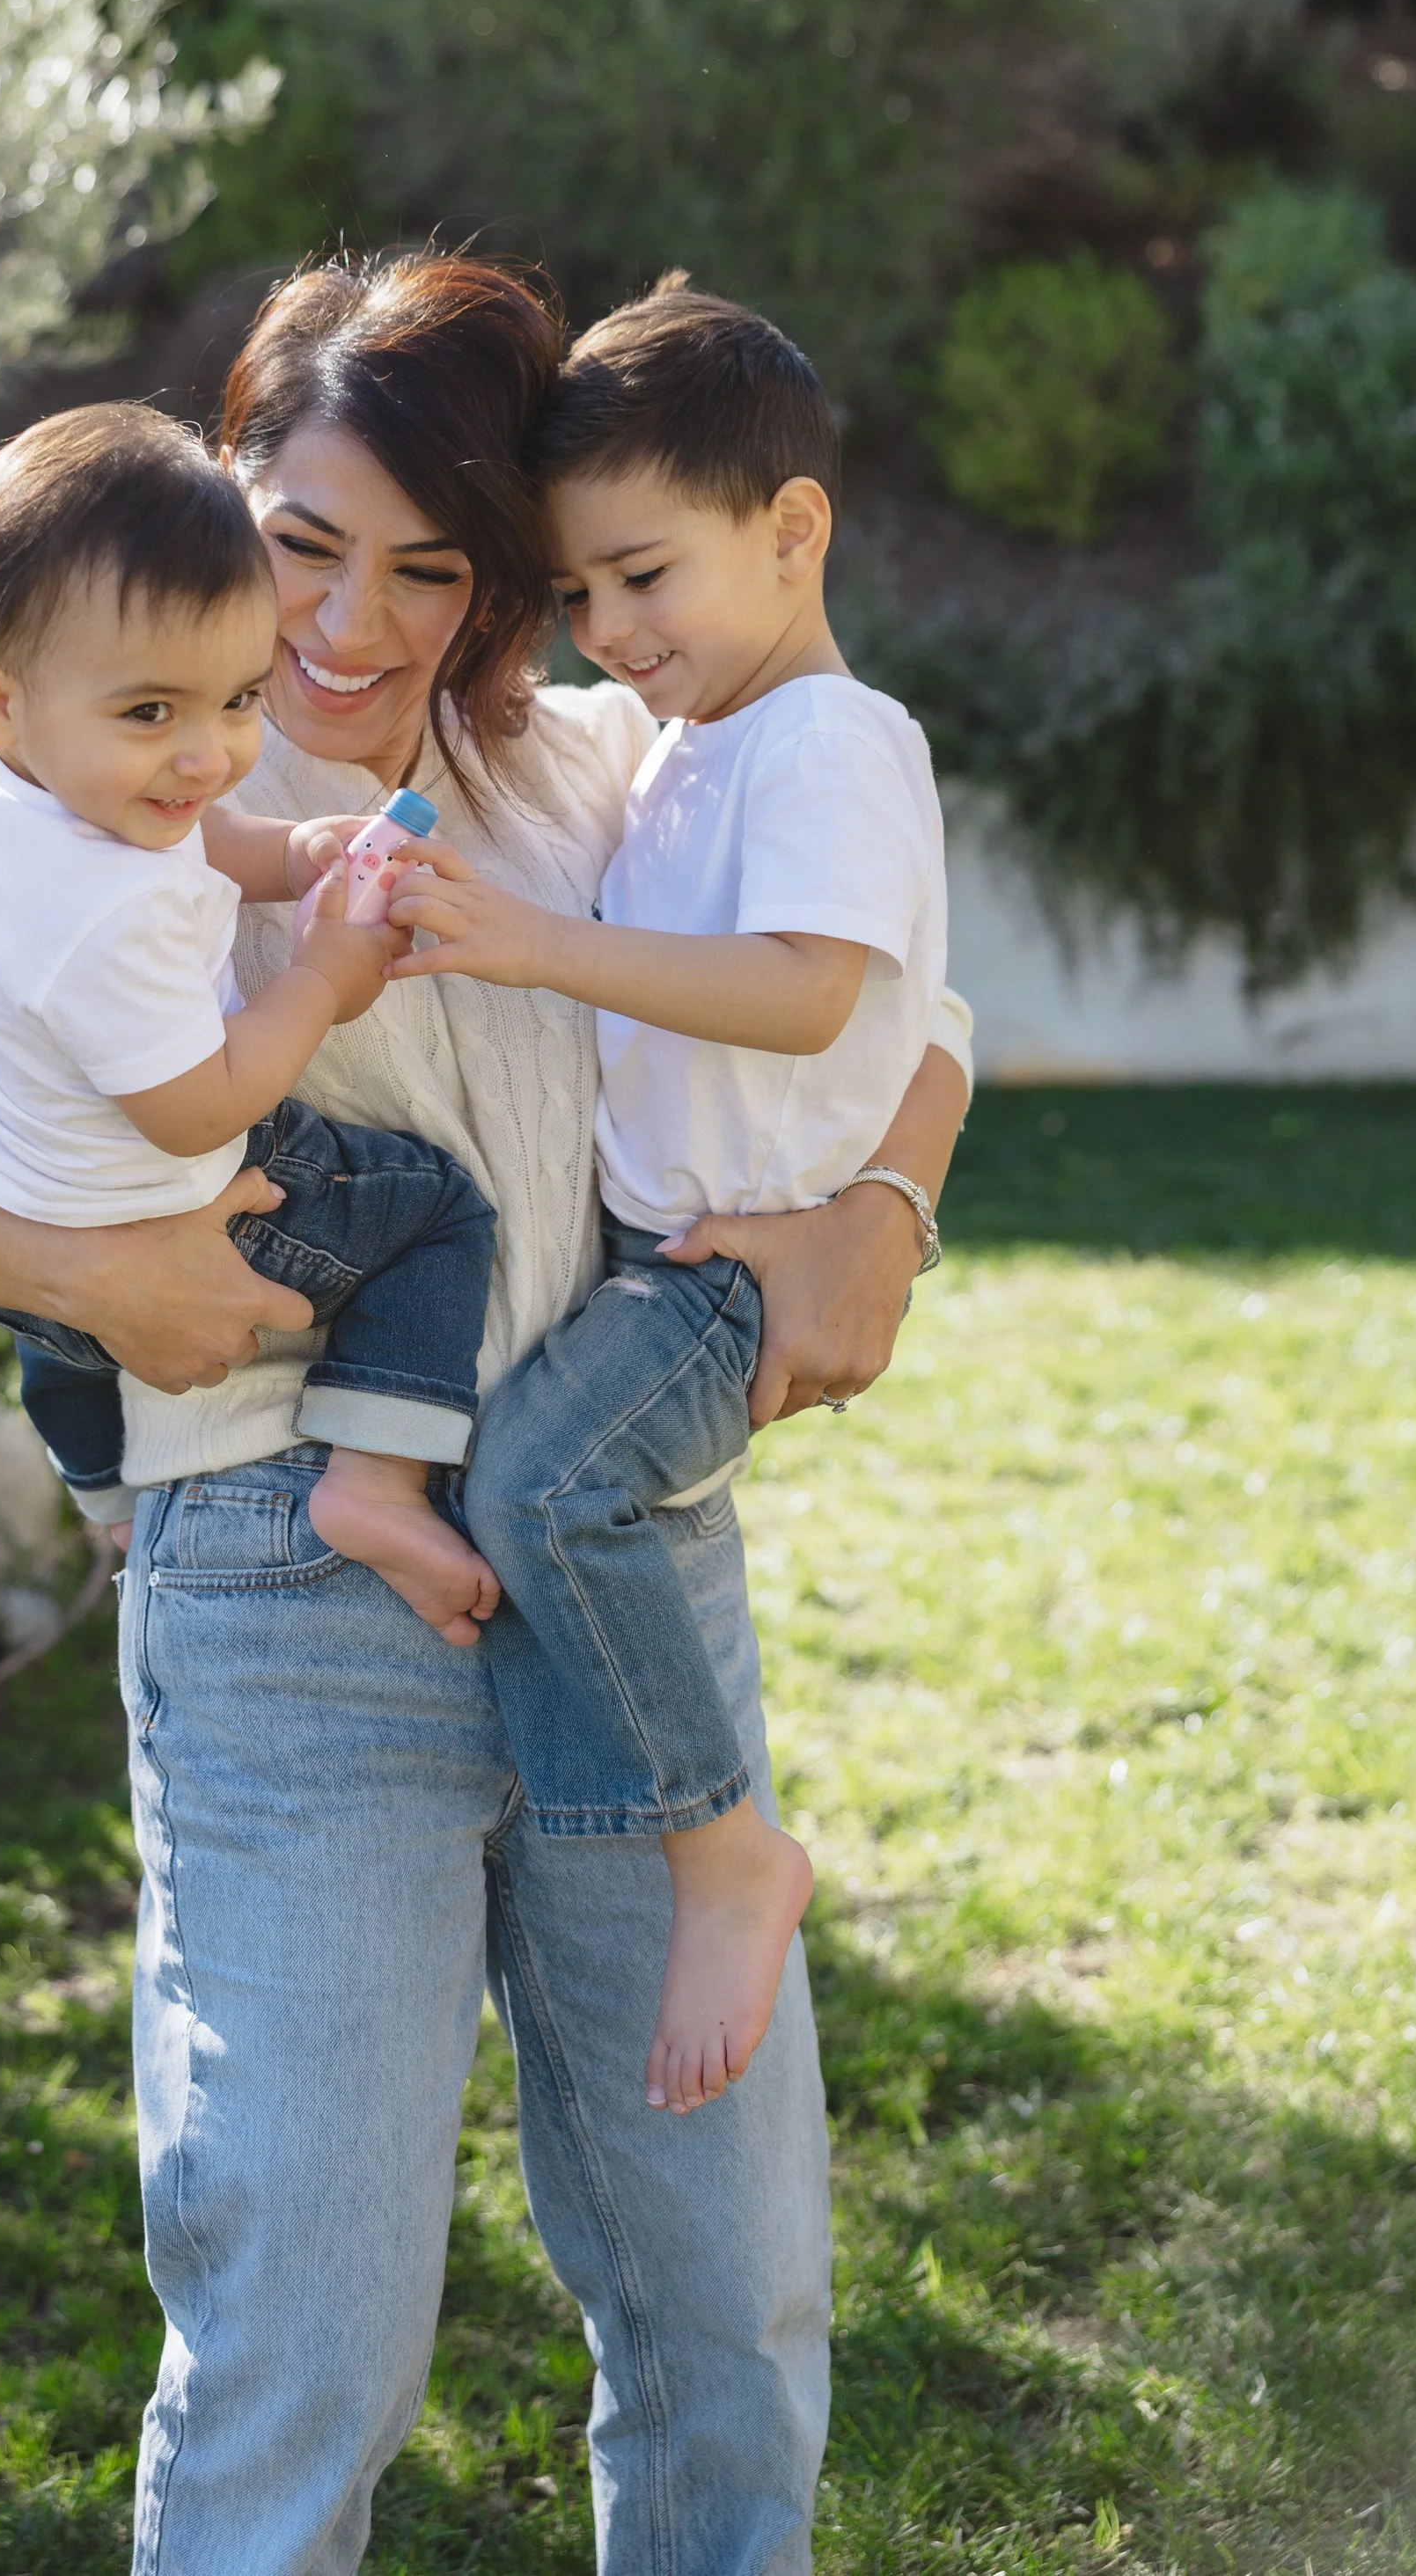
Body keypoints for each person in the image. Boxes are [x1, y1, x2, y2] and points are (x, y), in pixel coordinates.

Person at [0, 252, 973, 2576]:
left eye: (434, 565)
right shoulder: (106, 783)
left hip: (618, 1564)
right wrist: (98, 1272)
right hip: (290, 1595)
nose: (357, 619)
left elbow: (895, 993)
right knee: (302, 2332)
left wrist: (882, 1205)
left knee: (725, 2306)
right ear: (228, 501)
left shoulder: (595, 757)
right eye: (307, 542)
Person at [382, 279, 947, 2119]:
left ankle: (724, 1857)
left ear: (792, 532)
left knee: (541, 1486)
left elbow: (806, 989)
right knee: (528, 1501)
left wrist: (542, 948)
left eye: (646, 577)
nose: (611, 631)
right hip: (663, 1251)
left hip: (721, 1268)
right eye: (578, 596)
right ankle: (639, 1838)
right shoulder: (696, 740)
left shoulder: (828, 742)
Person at [0, 399, 502, 1642]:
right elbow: (200, 1103)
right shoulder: (104, 920)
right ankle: (374, 1480)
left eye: (238, 699)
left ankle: (101, 1489)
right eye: (155, 712)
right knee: (434, 1211)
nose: (208, 757)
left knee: (60, 1338)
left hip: (13, 1200)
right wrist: (318, 977)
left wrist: (293, 846)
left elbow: (196, 827)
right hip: (167, 1205)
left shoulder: (22, 771)